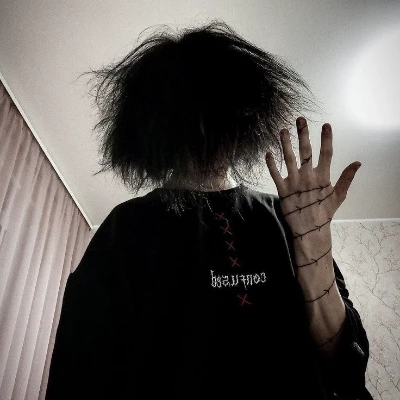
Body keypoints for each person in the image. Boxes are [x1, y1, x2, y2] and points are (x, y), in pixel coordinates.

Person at [45, 20, 373, 399]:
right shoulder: (126, 228)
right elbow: (78, 374)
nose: (203, 127)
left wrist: (315, 258)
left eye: (216, 109)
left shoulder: (288, 217)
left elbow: (347, 370)